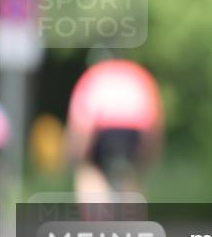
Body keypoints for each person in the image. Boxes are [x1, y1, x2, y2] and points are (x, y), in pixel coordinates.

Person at [67, 57, 163, 201]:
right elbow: (154, 122)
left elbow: (82, 124)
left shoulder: (93, 75)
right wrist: (148, 159)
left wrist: (77, 156)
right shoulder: (138, 74)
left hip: (103, 133)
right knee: (131, 175)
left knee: (88, 169)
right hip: (133, 134)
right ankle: (132, 209)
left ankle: (96, 213)